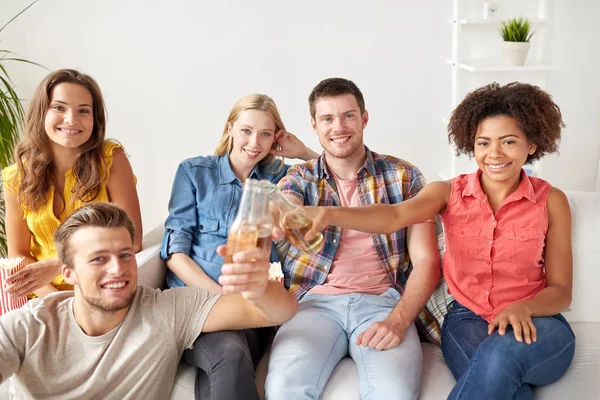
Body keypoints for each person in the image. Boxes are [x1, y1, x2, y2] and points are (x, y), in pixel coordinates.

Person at [304, 82, 576, 399]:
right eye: (483, 143)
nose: (494, 154)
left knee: (501, 355)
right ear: (470, 145)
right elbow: (393, 216)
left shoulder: (550, 200)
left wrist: (524, 308)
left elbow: (560, 291)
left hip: (539, 321)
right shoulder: (447, 192)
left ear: (531, 144)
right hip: (467, 321)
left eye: (509, 141)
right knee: (509, 388)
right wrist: (330, 214)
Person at [0, 202, 298, 399]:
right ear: (69, 273)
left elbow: (280, 311)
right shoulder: (30, 326)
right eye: (99, 259)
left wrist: (259, 288)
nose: (117, 268)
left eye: (125, 255)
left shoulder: (167, 310)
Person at [264, 78, 442, 400]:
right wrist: (281, 219)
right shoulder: (299, 177)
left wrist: (398, 321)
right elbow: (284, 207)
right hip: (312, 303)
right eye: (328, 119)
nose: (339, 127)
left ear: (364, 118)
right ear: (314, 126)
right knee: (282, 389)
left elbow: (427, 261)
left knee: (394, 393)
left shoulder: (404, 177)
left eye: (348, 116)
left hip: (383, 303)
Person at [160, 93, 318, 400]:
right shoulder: (194, 172)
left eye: (265, 134)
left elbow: (332, 179)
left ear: (276, 139)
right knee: (230, 356)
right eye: (246, 130)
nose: (254, 143)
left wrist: (303, 152)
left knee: (232, 358)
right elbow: (175, 254)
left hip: (255, 308)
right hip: (198, 302)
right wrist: (220, 297)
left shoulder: (282, 180)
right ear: (230, 128)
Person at [2, 69, 142, 299]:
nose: (71, 119)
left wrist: (59, 265)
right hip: (41, 297)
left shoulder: (111, 160)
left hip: (100, 291)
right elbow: (18, 254)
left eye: (83, 111)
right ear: (42, 112)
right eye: (59, 107)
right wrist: (52, 299)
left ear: (94, 120)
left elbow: (132, 239)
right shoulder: (16, 177)